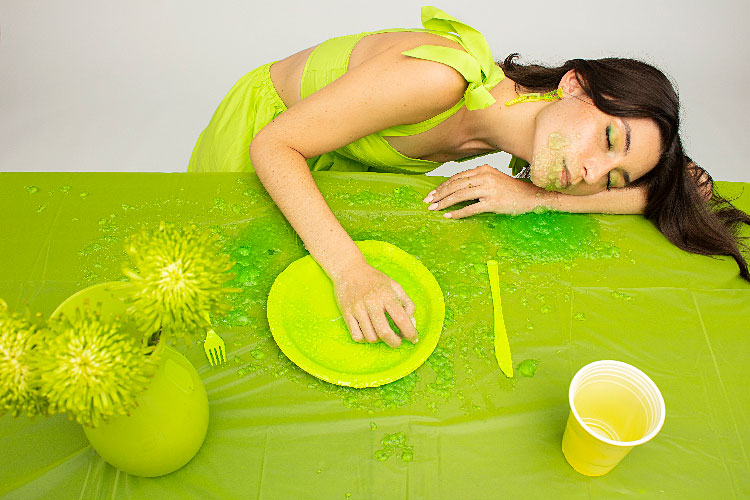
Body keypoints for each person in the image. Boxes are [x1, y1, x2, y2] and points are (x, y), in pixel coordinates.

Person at [189, 6, 750, 348]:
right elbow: (275, 145)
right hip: (271, 140)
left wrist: (534, 199)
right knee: (204, 291)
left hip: (334, 166)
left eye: (609, 178)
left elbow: (646, 196)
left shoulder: (515, 131)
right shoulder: (438, 82)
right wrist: (351, 270)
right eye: (608, 140)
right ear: (575, 85)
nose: (588, 174)